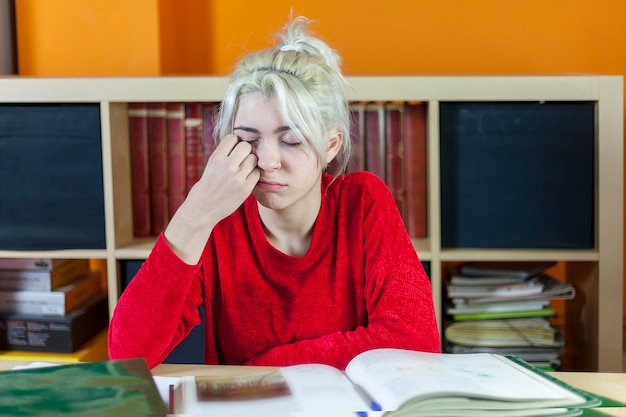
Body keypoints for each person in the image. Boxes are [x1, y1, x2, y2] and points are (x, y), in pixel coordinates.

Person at [108, 15, 440, 370]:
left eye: (292, 140)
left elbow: (416, 341)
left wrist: (267, 365)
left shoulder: (363, 202)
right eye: (249, 140)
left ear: (331, 145)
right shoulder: (217, 220)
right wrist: (195, 213)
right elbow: (128, 355)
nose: (267, 161)